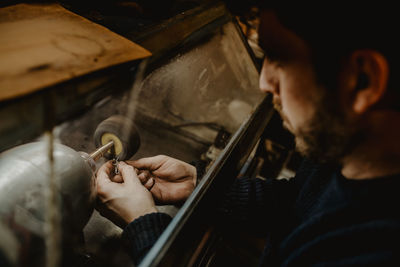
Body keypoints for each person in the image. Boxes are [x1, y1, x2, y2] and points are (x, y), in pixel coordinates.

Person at [96, 4, 400, 266]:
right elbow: (299, 201)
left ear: (362, 80)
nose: (264, 82)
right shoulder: (347, 157)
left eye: (279, 59)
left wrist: (145, 227)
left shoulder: (374, 251)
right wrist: (200, 186)